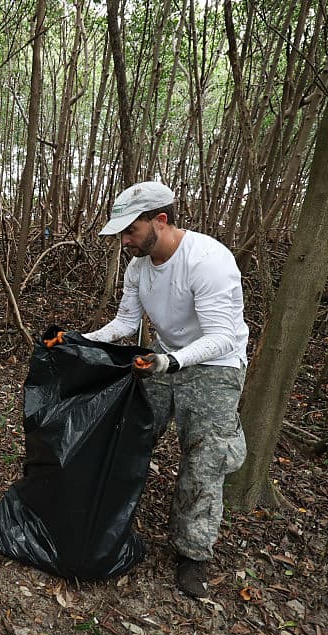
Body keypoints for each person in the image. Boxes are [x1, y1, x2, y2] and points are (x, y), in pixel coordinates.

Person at [83, 180, 249, 598]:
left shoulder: (207, 261)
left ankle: (194, 554)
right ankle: (112, 516)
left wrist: (169, 362)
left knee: (204, 459)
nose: (124, 241)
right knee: (131, 434)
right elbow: (125, 322)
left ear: (160, 220)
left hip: (215, 365)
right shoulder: (138, 266)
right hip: (166, 355)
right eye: (120, 233)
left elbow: (221, 337)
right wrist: (80, 341)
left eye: (130, 231)